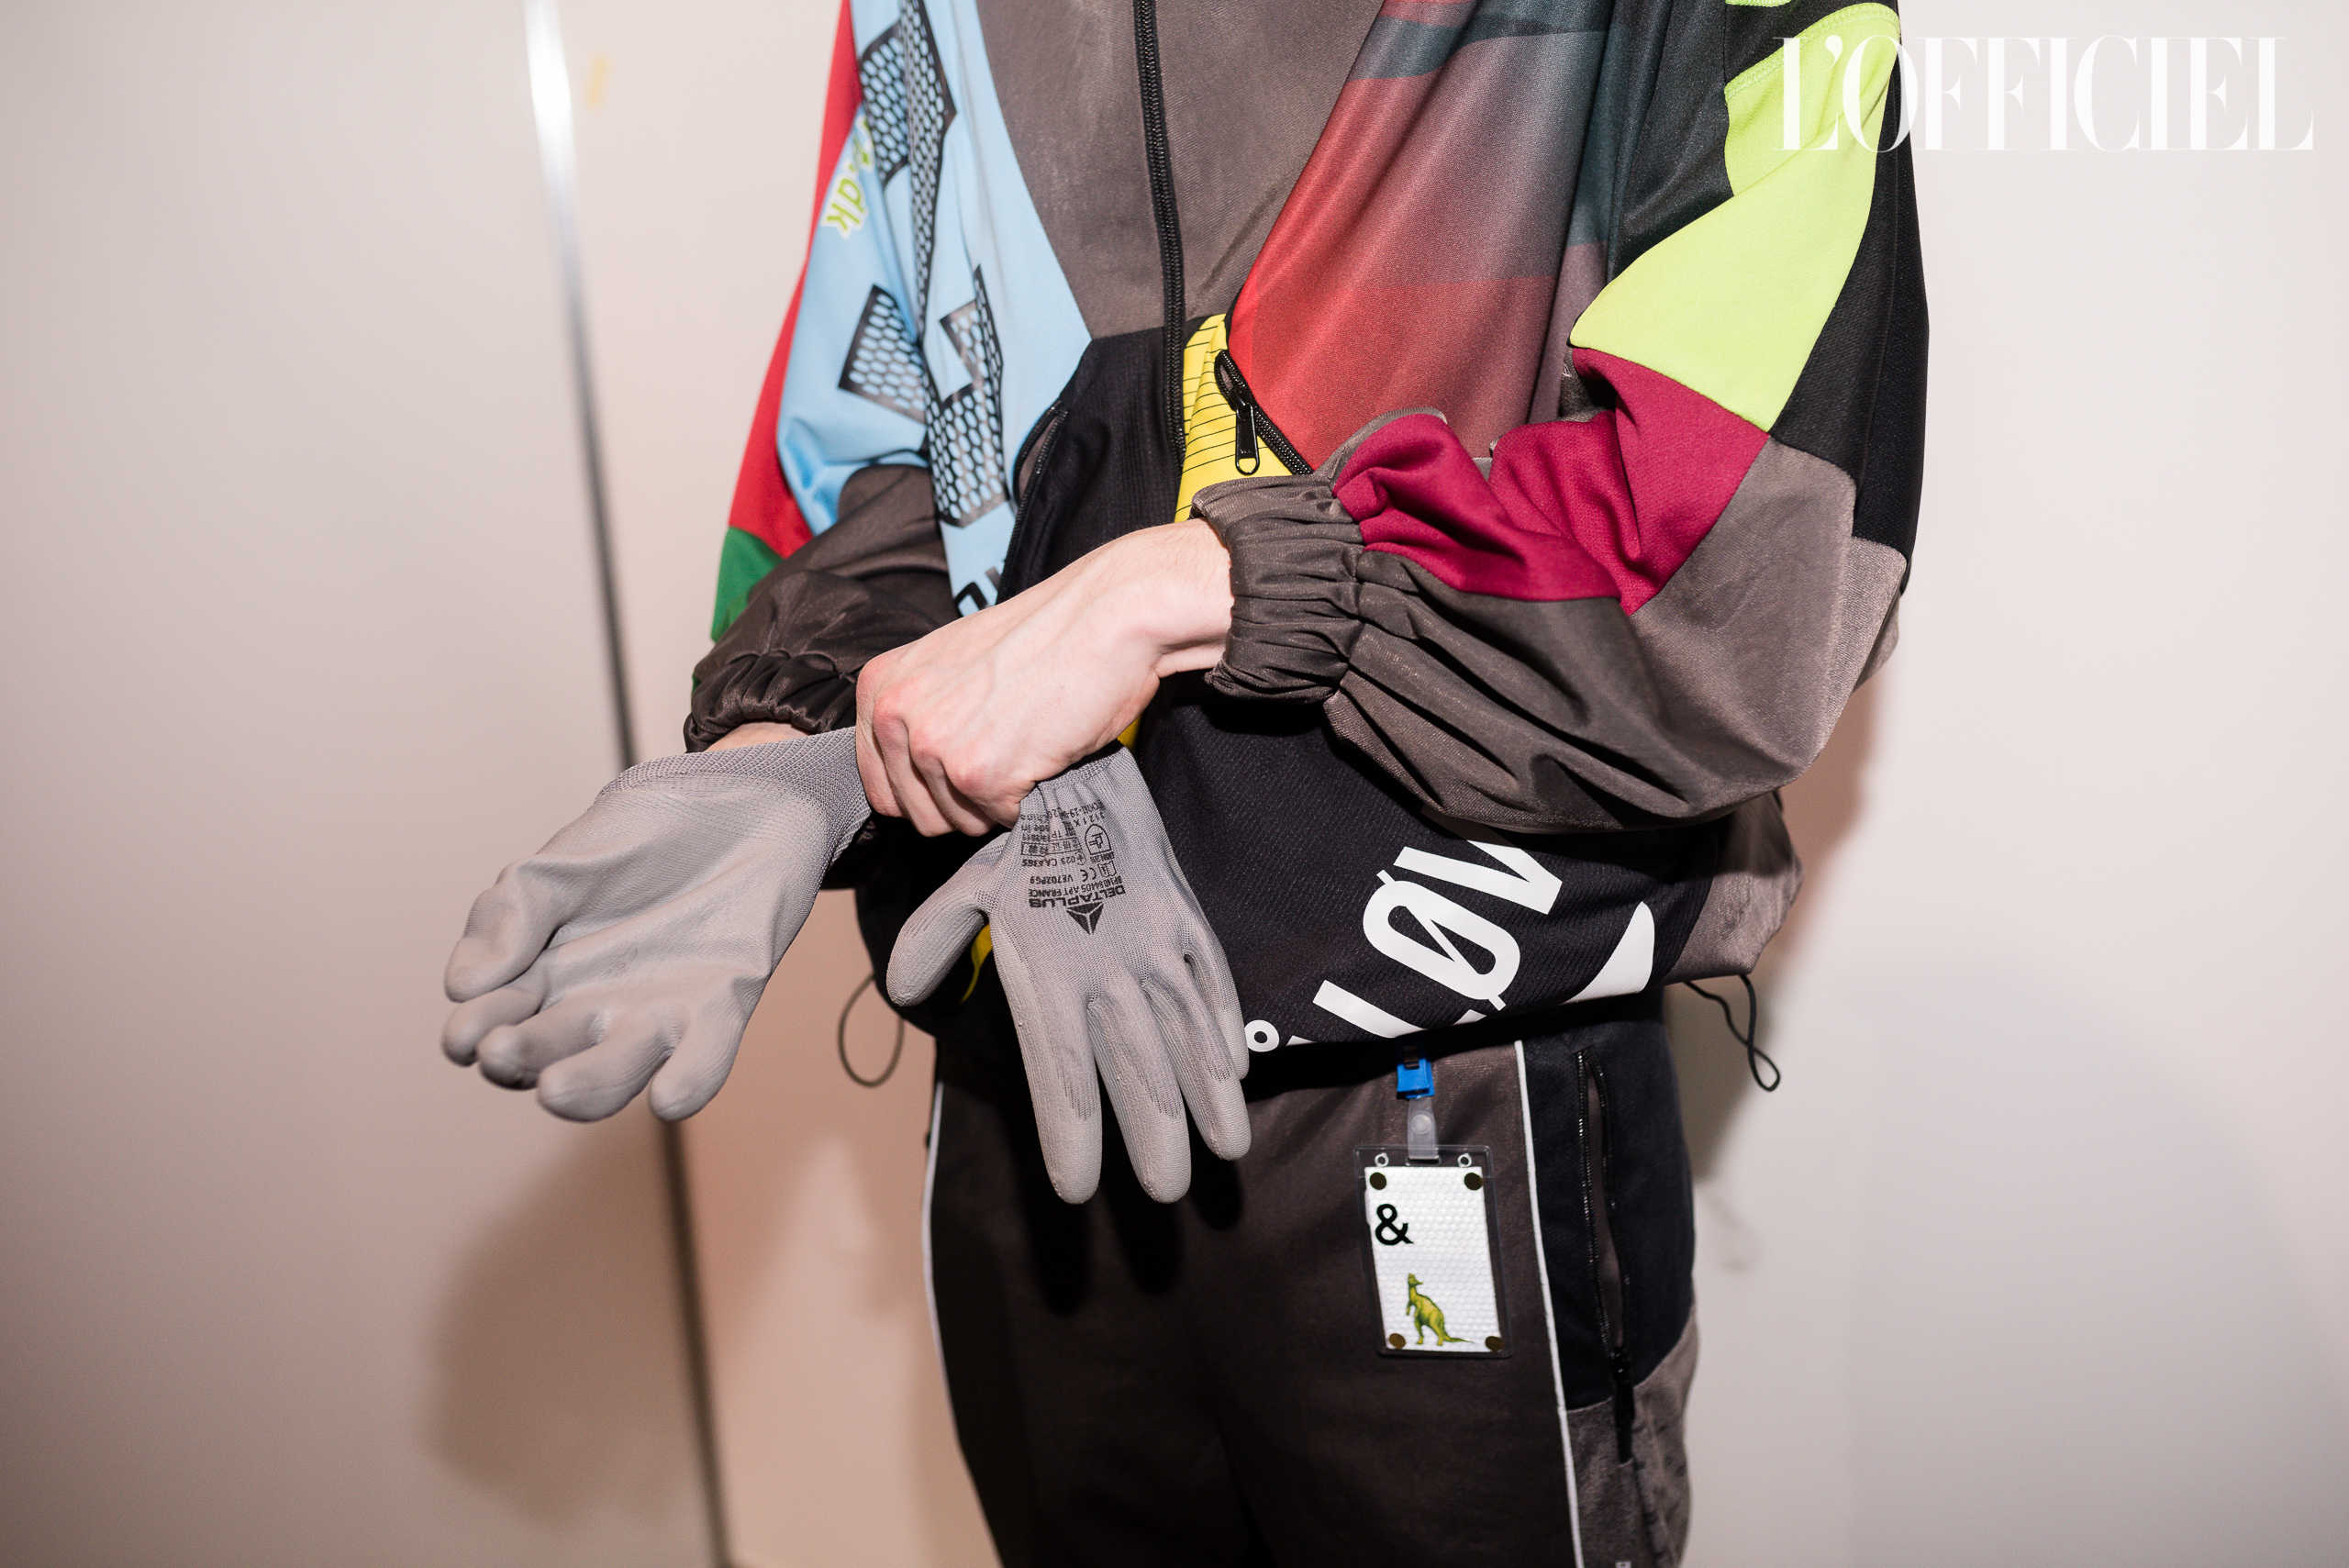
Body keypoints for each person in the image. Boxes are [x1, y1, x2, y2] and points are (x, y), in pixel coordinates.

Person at [445, 2, 1926, 1563]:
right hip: (1030, 1045)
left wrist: (1192, 588)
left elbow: (1747, 557)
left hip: (1443, 1065)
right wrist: (789, 754)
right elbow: (891, 443)